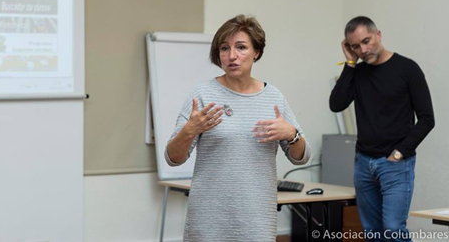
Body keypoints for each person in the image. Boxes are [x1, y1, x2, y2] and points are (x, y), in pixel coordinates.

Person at [165, 14, 311, 242]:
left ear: (257, 52)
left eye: (241, 47)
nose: (231, 56)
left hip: (257, 221)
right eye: (225, 48)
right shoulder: (202, 95)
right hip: (208, 221)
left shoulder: (273, 97)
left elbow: (301, 158)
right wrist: (189, 131)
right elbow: (173, 158)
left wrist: (292, 135)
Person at [330, 16, 435, 242]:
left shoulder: (407, 69)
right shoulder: (357, 72)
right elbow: (336, 104)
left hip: (395, 164)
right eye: (356, 46)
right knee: (372, 232)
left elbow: (427, 119)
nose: (363, 50)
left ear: (379, 34)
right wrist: (350, 63)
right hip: (363, 162)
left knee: (393, 229)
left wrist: (399, 153)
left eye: (367, 41)